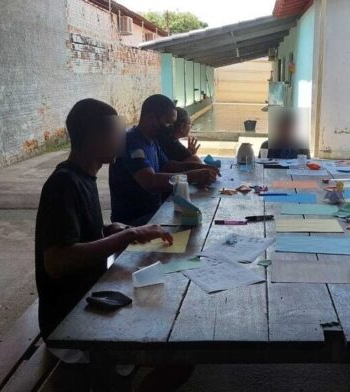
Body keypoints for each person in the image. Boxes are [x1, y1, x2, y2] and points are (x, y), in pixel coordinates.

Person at [35, 99, 174, 350]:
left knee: (164, 303)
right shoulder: (63, 184)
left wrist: (108, 231)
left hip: (93, 298)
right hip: (70, 322)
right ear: (94, 137)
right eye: (117, 133)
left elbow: (79, 237)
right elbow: (56, 262)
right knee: (175, 353)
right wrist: (128, 235)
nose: (123, 139)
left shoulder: (83, 178)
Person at [109, 95, 219, 226]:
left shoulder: (152, 140)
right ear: (151, 118)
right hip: (134, 220)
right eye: (168, 123)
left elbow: (169, 165)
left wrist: (198, 167)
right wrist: (193, 176)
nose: (171, 128)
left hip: (154, 211)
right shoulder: (131, 142)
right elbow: (150, 181)